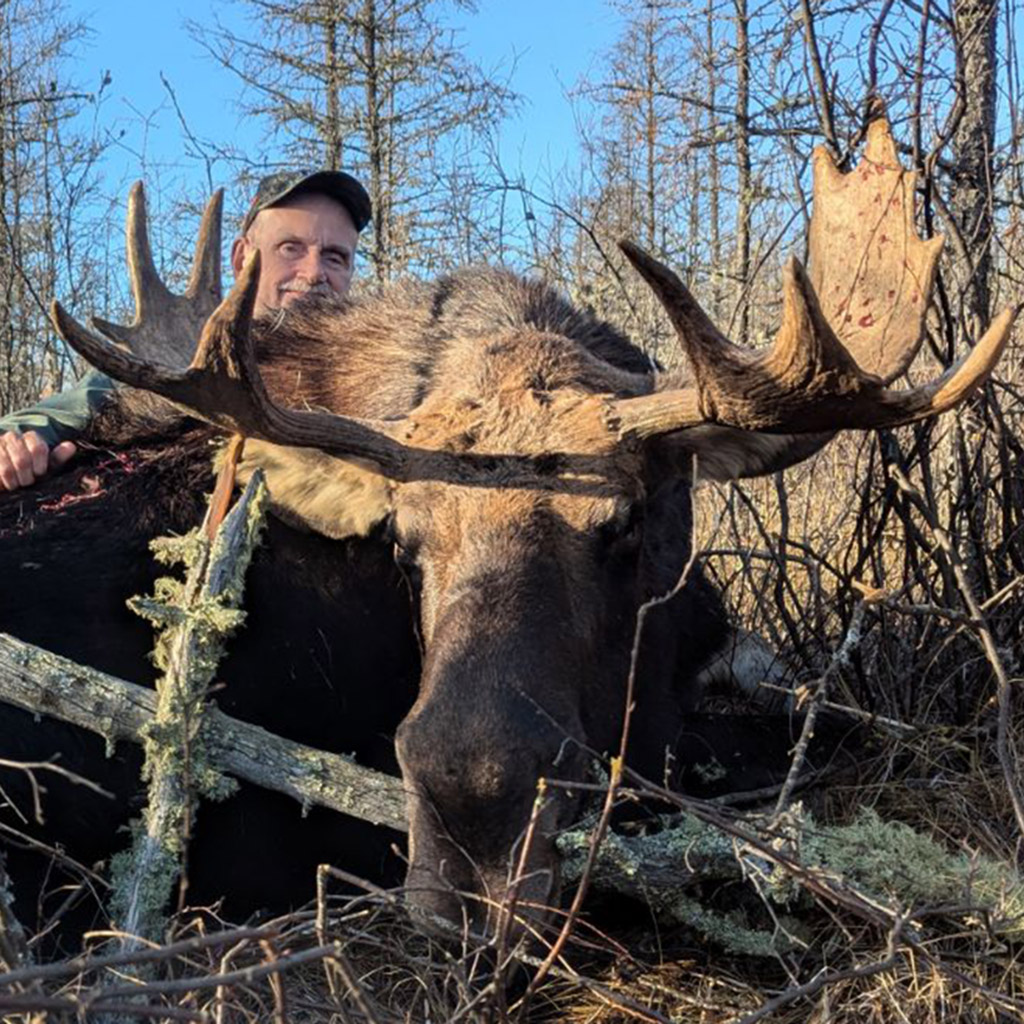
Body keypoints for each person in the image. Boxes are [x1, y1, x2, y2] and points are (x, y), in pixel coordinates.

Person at [0, 169, 371, 492]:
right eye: (291, 248)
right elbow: (57, 417)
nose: (313, 273)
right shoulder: (183, 355)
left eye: (335, 257)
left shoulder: (364, 382)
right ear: (242, 258)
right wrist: (14, 446)